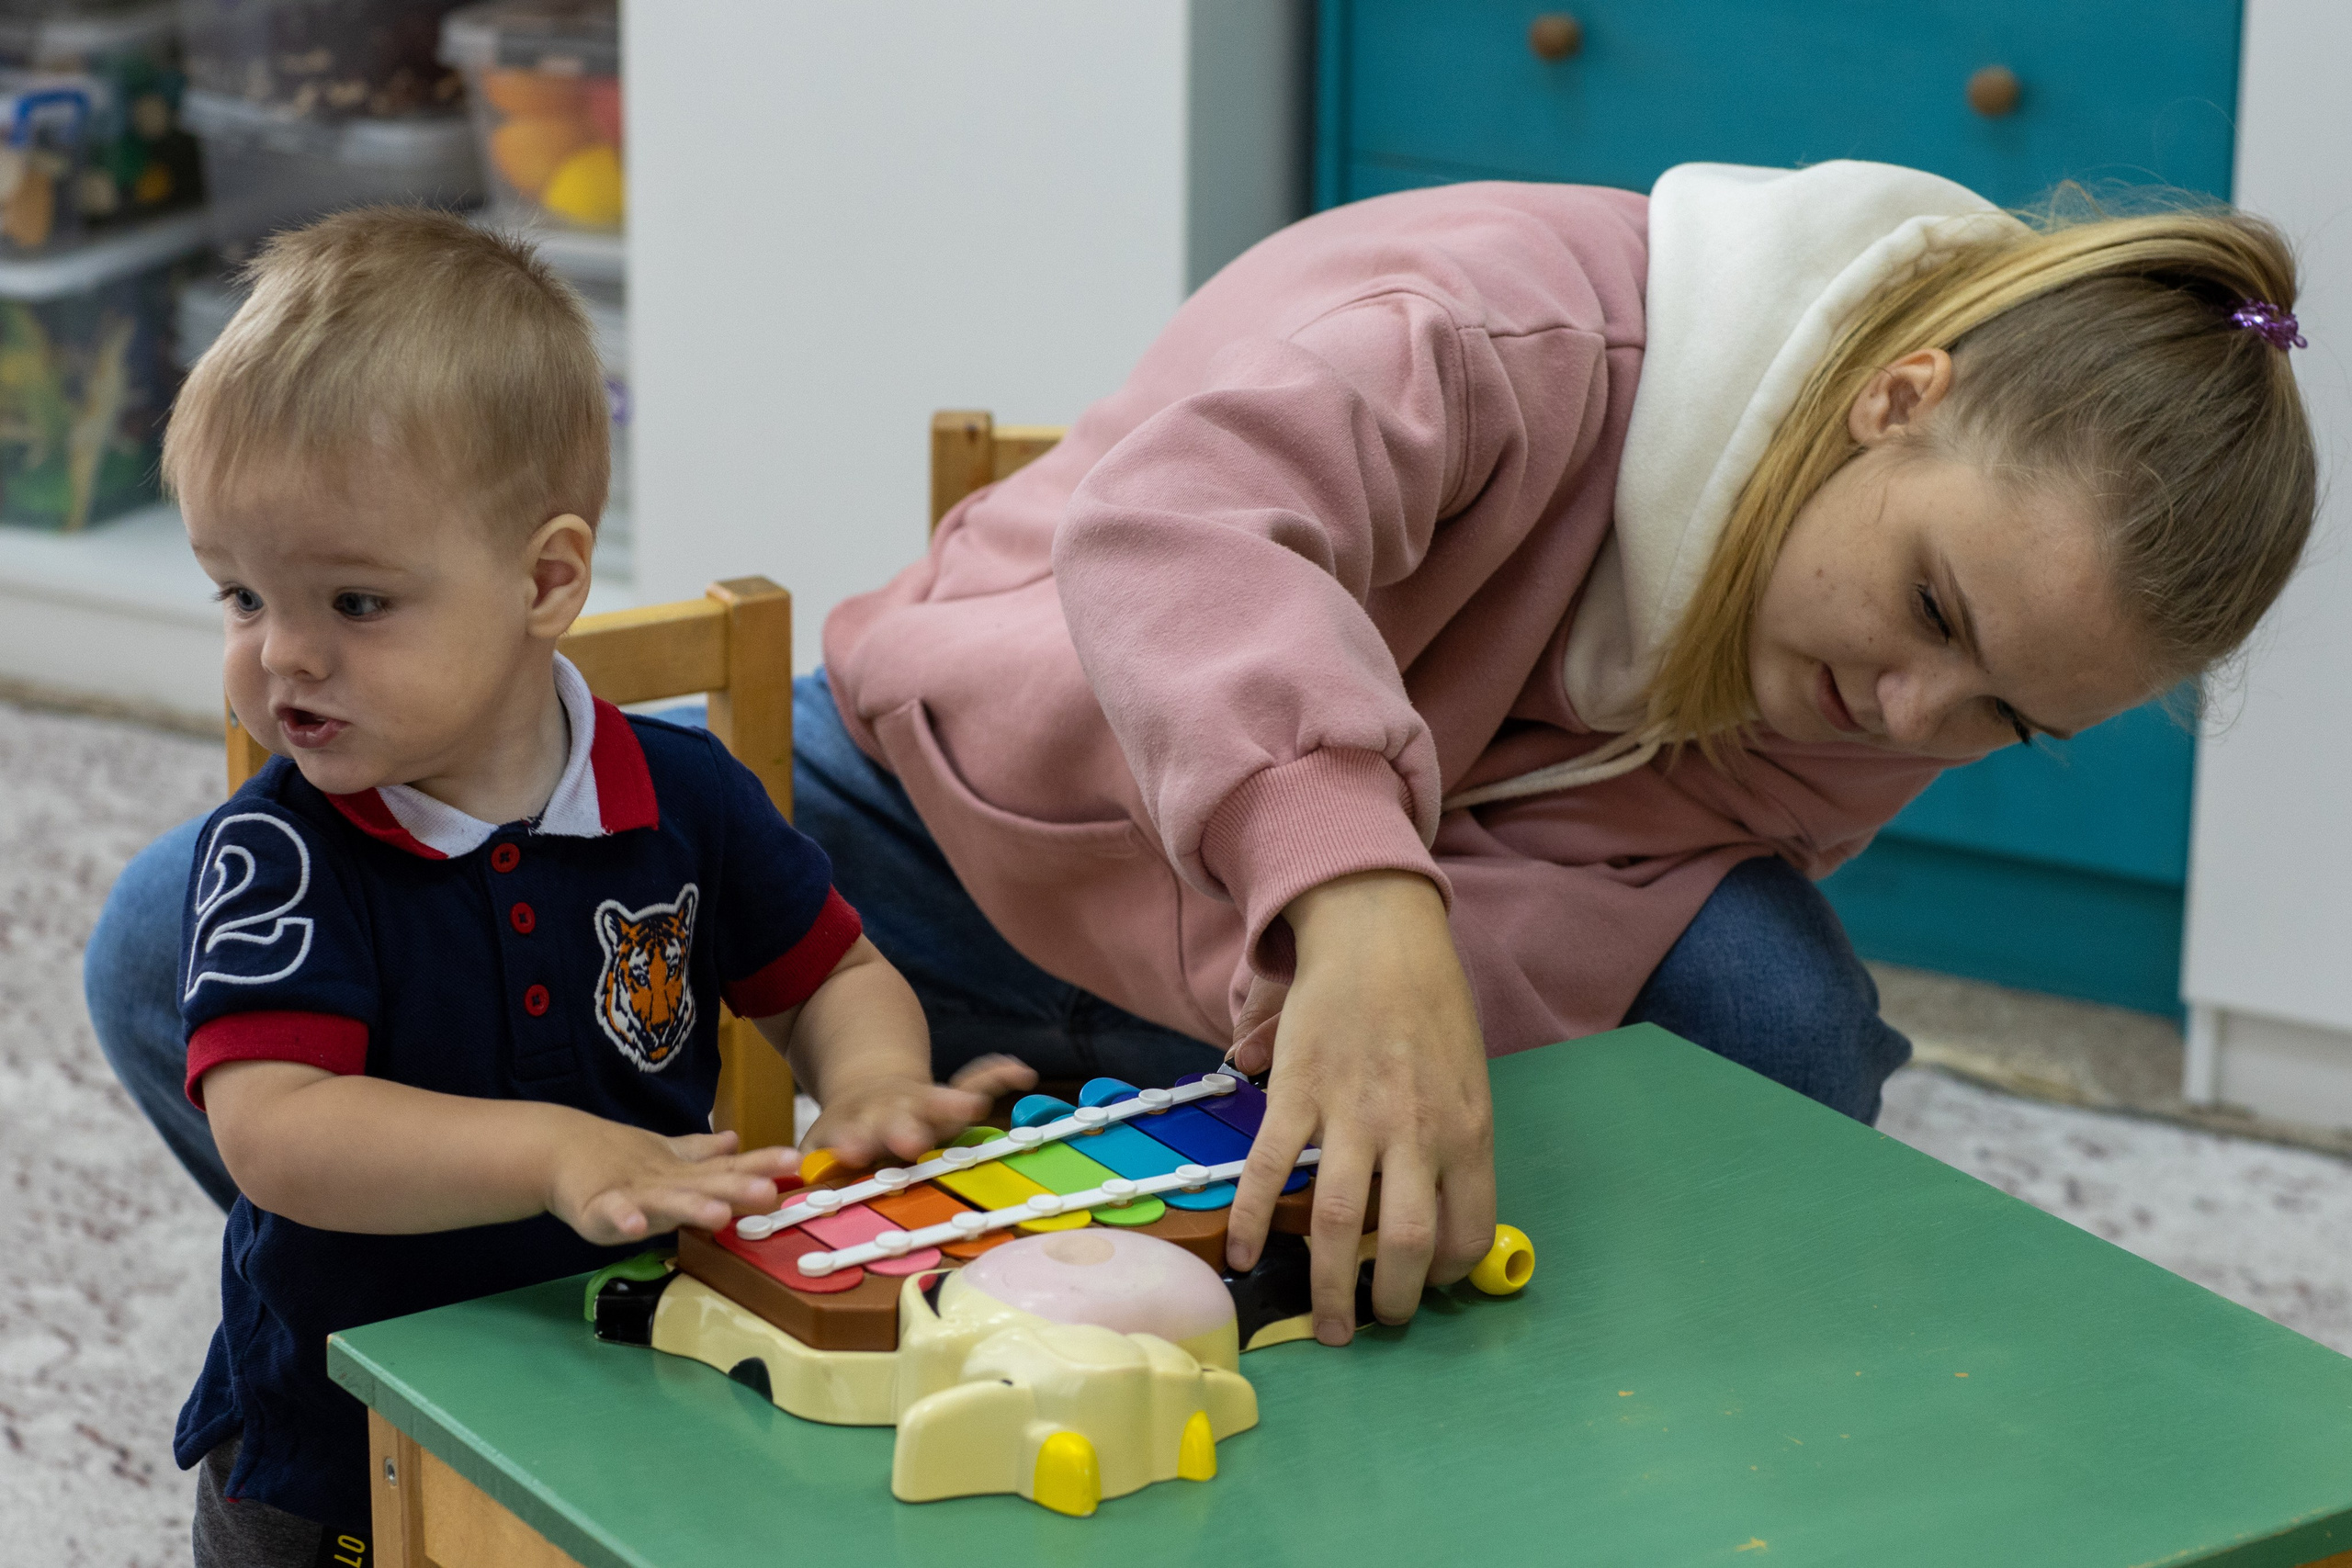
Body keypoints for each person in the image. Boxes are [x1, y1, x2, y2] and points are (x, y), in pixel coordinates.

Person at [85, 161, 2316, 1364]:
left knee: (1781, 1025)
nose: (1913, 719)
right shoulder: (1494, 313)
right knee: (173, 941)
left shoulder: (1879, 666)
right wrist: (1351, 888)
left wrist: (1340, 1006)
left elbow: (1636, 872)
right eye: (1932, 615)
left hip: (1250, 1010)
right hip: (946, 827)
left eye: (2003, 717)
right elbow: (1175, 529)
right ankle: (507, 1356)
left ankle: (1395, 1376)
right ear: (1894, 398)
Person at [149, 208, 1029, 1565]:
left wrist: (868, 1083)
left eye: (354, 604)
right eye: (242, 597)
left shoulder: (686, 796)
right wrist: (557, 1153)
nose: (283, 659)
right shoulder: (281, 852)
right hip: (345, 1449)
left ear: (547, 580)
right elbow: (275, 1132)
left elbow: (833, 976)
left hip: (630, 1387)